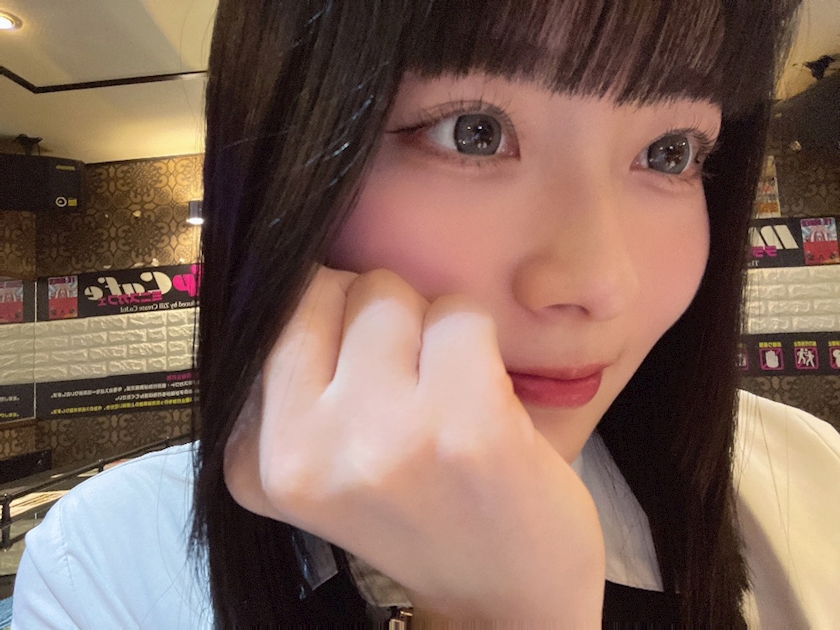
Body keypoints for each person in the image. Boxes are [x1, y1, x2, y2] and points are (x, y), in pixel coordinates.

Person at [12, 0, 840, 626]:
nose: (600, 282)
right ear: (283, 175)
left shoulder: (807, 483)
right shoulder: (111, 564)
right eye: (474, 132)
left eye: (670, 153)